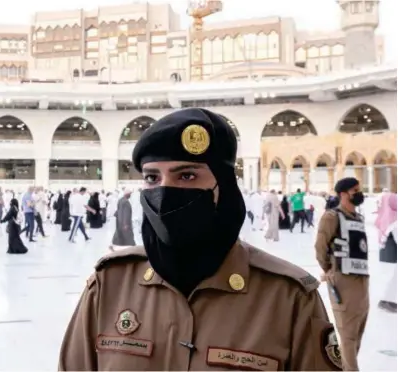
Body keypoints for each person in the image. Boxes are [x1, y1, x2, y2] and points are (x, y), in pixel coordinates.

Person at [59, 108, 340, 371]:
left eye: (187, 175)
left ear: (225, 186)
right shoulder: (109, 286)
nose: (165, 191)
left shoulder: (287, 299)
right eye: (152, 177)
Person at [315, 176, 368, 371]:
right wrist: (328, 270)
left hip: (361, 281)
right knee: (347, 336)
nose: (359, 194)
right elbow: (320, 247)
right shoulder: (332, 217)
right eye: (355, 190)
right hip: (342, 281)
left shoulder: (358, 218)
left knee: (357, 333)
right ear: (343, 194)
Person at [375, 192, 397, 313]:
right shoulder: (394, 220)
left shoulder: (386, 217)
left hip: (389, 255)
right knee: (392, 279)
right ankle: (385, 301)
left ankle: (386, 301)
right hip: (391, 256)